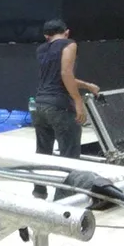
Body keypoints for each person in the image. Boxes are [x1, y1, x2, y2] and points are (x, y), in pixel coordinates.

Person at [31, 19, 99, 200]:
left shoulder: (41, 50)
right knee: (69, 155)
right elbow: (65, 73)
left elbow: (59, 76)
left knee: (42, 152)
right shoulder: (69, 44)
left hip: (39, 104)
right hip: (59, 106)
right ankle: (63, 201)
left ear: (46, 36)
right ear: (67, 32)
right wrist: (78, 101)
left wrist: (87, 85)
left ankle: (39, 191)